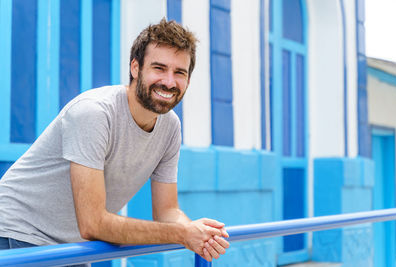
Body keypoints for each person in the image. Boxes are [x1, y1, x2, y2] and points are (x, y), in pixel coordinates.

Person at [0, 18, 230, 265]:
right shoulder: (94, 113)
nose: (169, 82)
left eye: (179, 73)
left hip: (72, 246)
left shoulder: (170, 126)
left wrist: (198, 233)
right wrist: (183, 234)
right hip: (17, 235)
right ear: (135, 68)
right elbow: (93, 223)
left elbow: (167, 212)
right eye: (159, 68)